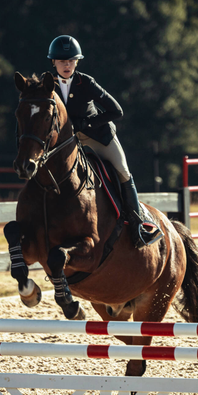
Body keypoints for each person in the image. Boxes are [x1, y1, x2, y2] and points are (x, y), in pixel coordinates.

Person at [46, 35, 162, 248]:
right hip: (70, 143)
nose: (67, 65)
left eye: (71, 60)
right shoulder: (48, 84)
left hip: (99, 137)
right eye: (62, 61)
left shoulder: (86, 82)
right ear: (53, 62)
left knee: (123, 172)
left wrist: (86, 124)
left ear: (77, 62)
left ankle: (139, 224)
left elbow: (116, 110)